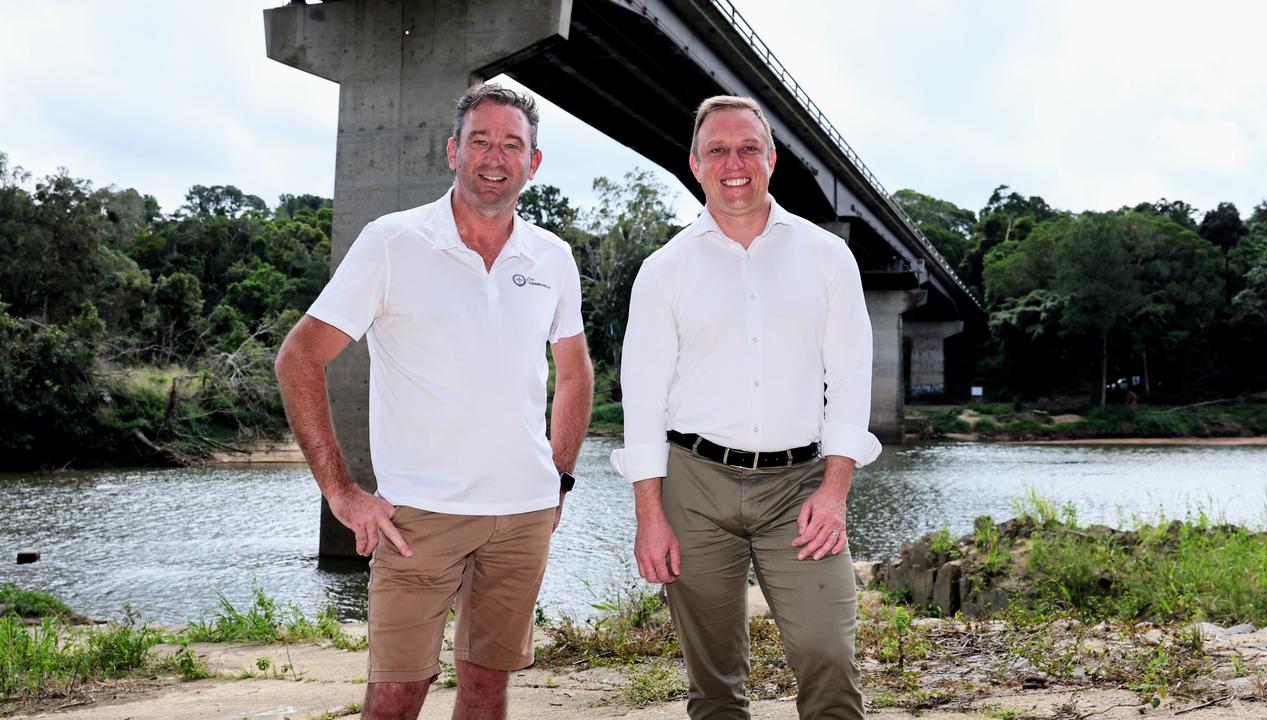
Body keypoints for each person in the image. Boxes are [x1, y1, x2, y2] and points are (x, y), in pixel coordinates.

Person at [275, 83, 593, 720]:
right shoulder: (393, 242)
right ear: (453, 151)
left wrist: (557, 479)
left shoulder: (552, 257)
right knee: (394, 696)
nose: (495, 157)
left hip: (523, 514)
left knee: (486, 689)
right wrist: (341, 492)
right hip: (419, 518)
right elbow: (298, 358)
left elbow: (575, 374)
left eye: (512, 144)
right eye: (480, 140)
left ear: (534, 162)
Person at [611, 95, 882, 720]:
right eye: (717, 151)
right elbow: (644, 402)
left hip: (799, 485)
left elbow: (849, 381)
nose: (734, 163)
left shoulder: (827, 257)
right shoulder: (664, 270)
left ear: (772, 158)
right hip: (694, 485)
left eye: (748, 148)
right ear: (695, 164)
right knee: (714, 682)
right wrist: (649, 515)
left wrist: (835, 491)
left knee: (830, 656)